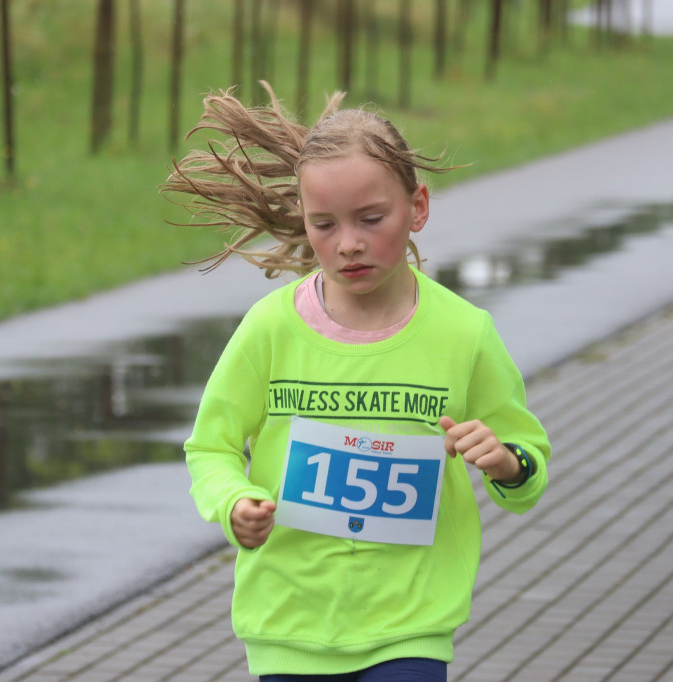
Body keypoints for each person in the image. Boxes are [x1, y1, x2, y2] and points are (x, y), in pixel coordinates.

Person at [161, 83, 550, 682]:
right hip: (290, 622)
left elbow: (528, 463)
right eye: (324, 224)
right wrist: (234, 502)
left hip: (410, 625)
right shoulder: (271, 328)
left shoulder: (464, 333)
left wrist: (506, 463)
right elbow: (209, 447)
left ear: (417, 206)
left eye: (372, 219)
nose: (348, 244)